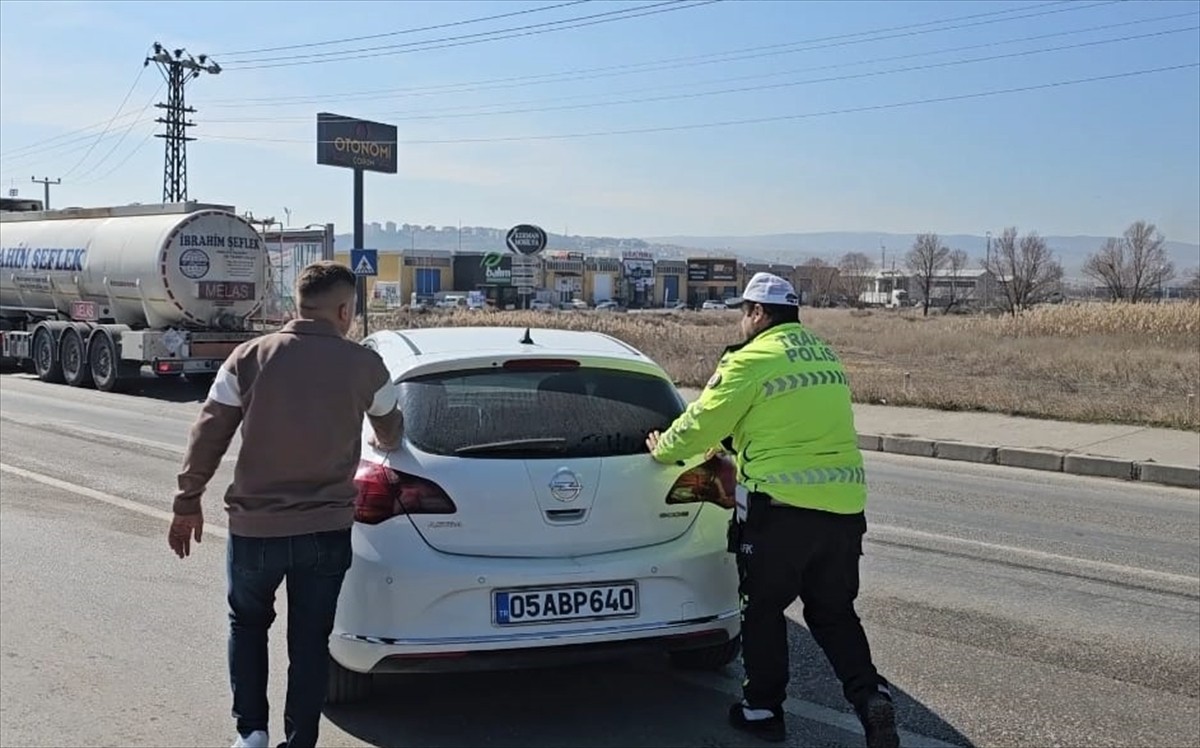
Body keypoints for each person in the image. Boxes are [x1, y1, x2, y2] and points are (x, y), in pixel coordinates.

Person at [646, 272, 899, 748]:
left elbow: (703, 421)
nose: (742, 322)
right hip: (844, 512)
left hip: (780, 514)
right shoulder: (824, 355)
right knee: (834, 613)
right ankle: (870, 698)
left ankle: (762, 709)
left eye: (745, 312)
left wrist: (664, 450)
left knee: (762, 610)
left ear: (758, 314)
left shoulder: (751, 360)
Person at [167, 261, 404, 748]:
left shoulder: (249, 356)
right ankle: (300, 741)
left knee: (248, 625)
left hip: (256, 529)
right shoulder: (365, 365)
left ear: (297, 306)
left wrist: (187, 500)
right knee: (310, 641)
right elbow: (392, 428)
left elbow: (209, 431)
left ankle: (251, 732)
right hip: (326, 531)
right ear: (344, 310)